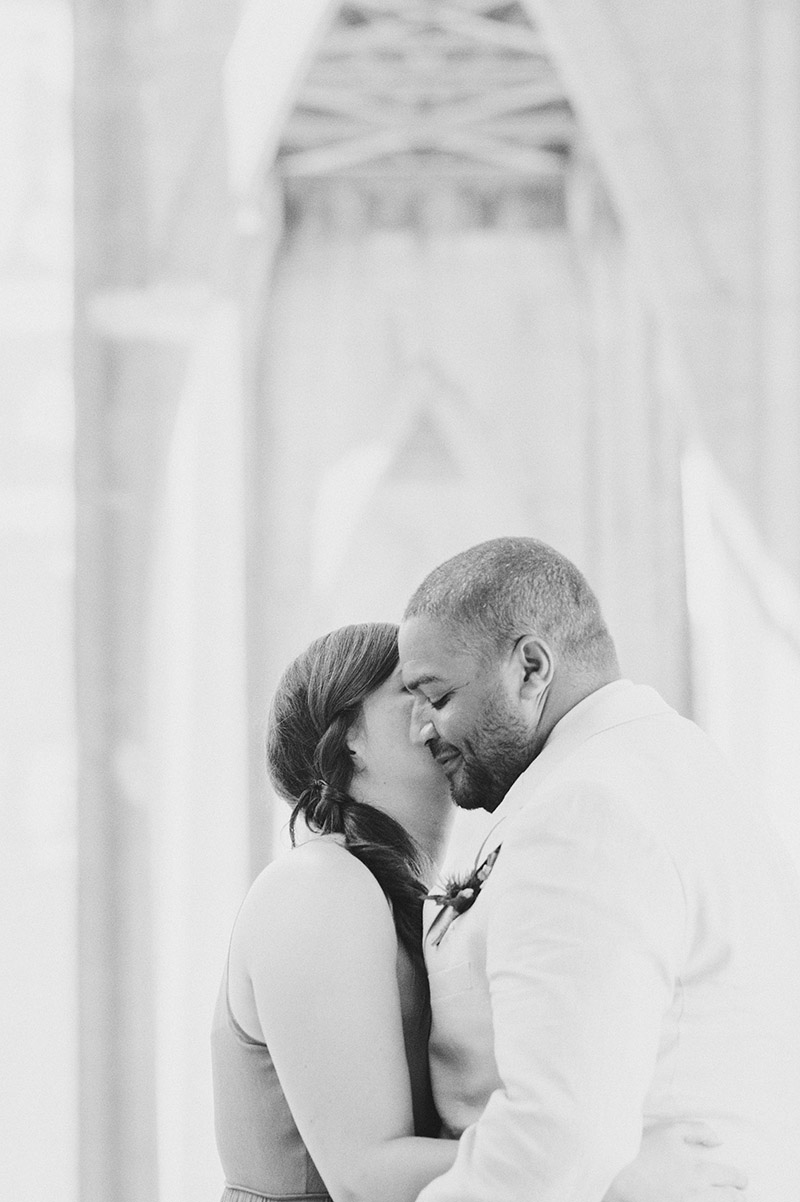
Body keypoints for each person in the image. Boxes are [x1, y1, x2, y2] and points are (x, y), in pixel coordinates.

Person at [212, 621, 747, 1202]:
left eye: (445, 692)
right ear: (348, 739)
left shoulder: (405, 895)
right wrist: (611, 1176)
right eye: (416, 692)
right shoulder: (319, 884)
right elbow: (364, 1173)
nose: (446, 711)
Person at [399, 536, 800, 1202]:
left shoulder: (586, 811)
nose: (421, 727)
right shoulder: (676, 761)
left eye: (436, 695)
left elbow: (556, 1137)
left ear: (530, 667)